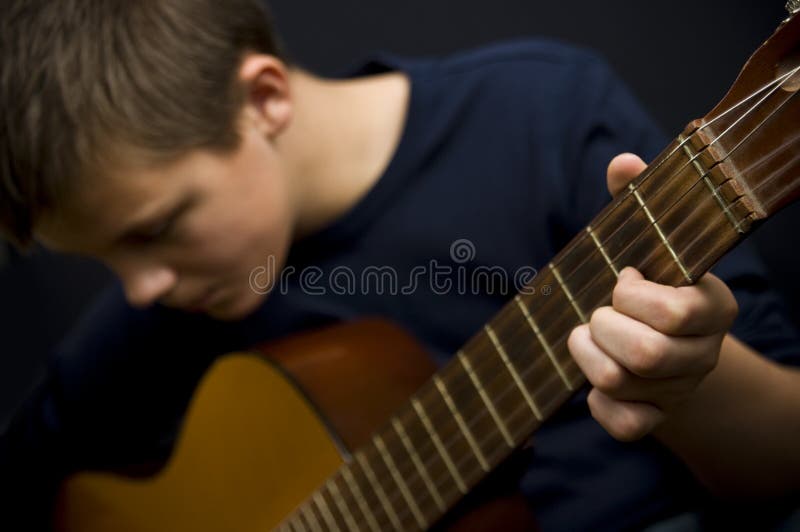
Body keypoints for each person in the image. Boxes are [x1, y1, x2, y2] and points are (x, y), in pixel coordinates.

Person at [1, 0, 798, 530]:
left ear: (265, 99)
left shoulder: (538, 119)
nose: (140, 290)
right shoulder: (173, 304)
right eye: (104, 260)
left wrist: (686, 379)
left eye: (156, 230)